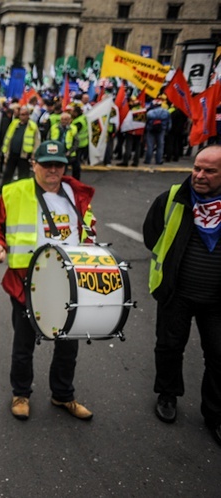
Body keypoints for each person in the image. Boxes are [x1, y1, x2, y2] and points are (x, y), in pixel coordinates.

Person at [0, 140, 97, 421]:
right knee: (24, 345)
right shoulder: (15, 192)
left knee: (68, 344)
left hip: (70, 284)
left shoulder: (76, 193)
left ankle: (63, 395)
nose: (53, 170)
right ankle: (20, 393)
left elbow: (89, 229)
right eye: (46, 164)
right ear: (34, 164)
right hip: (27, 283)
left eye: (58, 165)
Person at [142, 145, 221, 447]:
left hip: (217, 299)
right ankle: (167, 394)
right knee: (170, 346)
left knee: (218, 355)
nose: (200, 175)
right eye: (197, 168)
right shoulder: (174, 197)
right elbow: (152, 235)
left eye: (209, 171)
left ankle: (215, 413)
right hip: (177, 291)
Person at [0, 106, 41, 189]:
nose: (23, 117)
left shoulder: (32, 126)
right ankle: (2, 190)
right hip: (12, 153)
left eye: (25, 114)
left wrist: (34, 154)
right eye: (21, 115)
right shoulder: (14, 123)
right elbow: (8, 136)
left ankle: (22, 191)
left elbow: (37, 141)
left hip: (24, 155)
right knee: (8, 173)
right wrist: (5, 151)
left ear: (28, 115)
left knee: (23, 176)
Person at [144, 100, 171, 165]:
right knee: (160, 145)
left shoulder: (150, 113)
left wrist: (146, 129)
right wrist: (167, 130)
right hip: (161, 130)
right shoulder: (166, 112)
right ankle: (158, 160)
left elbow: (146, 122)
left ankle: (148, 160)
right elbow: (169, 123)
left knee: (150, 146)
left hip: (151, 130)